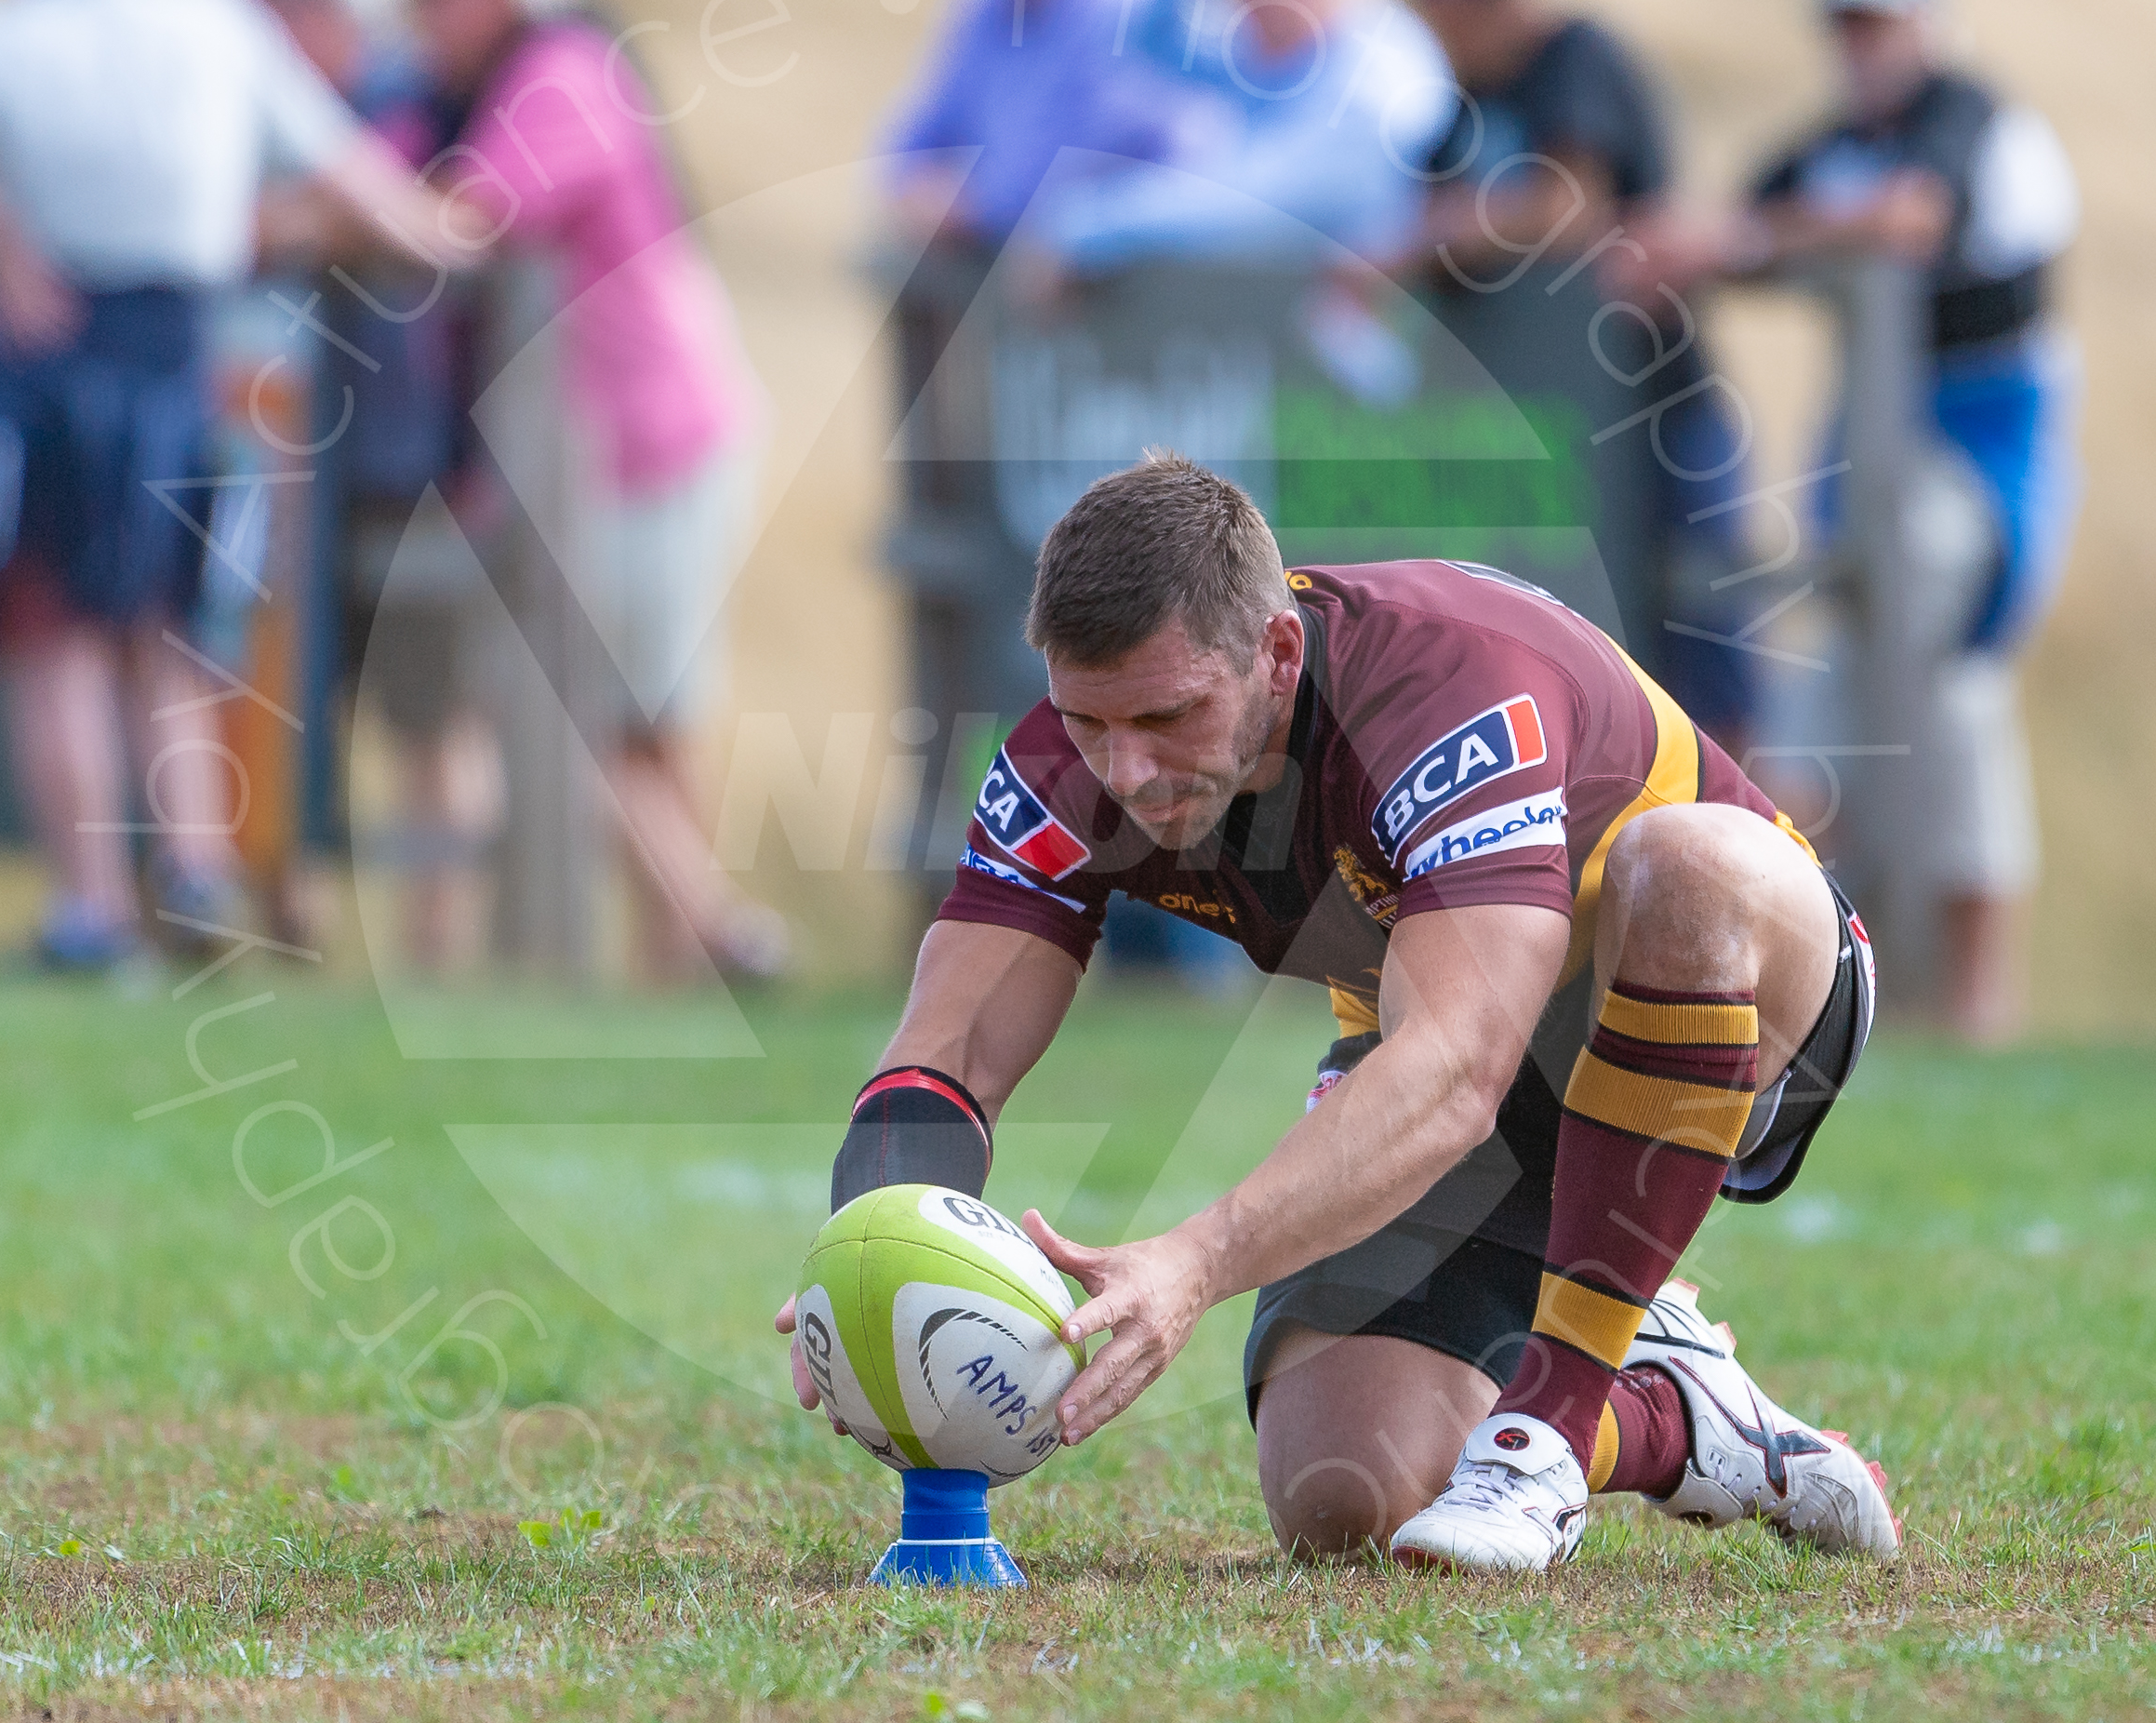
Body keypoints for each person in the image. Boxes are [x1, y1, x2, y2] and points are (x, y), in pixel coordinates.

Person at [778, 453, 1900, 1572]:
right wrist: (868, 1256)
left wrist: (1197, 1259)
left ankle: (1551, 1424)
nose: (1122, 767)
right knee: (1344, 1490)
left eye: (1168, 714)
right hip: (1462, 1043)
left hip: (1743, 991)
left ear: (1273, 653)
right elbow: (948, 1050)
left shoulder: (1437, 687)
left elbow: (1457, 1068)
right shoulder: (1058, 763)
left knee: (1684, 864)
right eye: (1087, 719)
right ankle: (1673, 1410)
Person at [0, 0, 466, 972]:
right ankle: (196, 872)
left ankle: (90, 912)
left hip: (48, 356)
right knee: (172, 632)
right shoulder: (214, 23)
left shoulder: (9, 27)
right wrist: (448, 232)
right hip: (179, 355)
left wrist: (0, 238)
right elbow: (349, 169)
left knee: (54, 640)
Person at [1664, 0, 2078, 1044]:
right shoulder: (1835, 144)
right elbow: (1732, 229)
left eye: (1880, 19)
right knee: (1828, 680)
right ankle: (1836, 971)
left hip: (1979, 440)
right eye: (1847, 22)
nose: (1864, 44)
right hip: (1870, 439)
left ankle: (1975, 997)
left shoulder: (1967, 117)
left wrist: (1776, 234)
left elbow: (1905, 217)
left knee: (1945, 684)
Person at [402, 0, 789, 984]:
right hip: (623, 443)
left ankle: (706, 931)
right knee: (635, 705)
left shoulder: (560, 71)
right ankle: (692, 942)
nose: (423, 12)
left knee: (596, 702)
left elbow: (479, 210)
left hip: (639, 441)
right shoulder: (529, 74)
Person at [199, 0, 488, 971]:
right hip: (291, 462)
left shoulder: (397, 93)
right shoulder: (283, 109)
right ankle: (289, 931)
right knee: (275, 691)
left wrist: (288, 222)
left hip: (403, 459)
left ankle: (437, 954)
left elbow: (418, 213)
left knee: (428, 708)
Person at [1401, 0, 1760, 755]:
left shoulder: (1574, 57)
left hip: (1660, 406)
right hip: (1544, 439)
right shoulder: (1458, 100)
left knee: (1709, 664)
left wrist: (1440, 234)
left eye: (1429, 5)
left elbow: (1568, 205)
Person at [1036, 0, 1454, 273]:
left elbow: (1253, 199)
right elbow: (1145, 38)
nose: (1240, 8)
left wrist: (1087, 227)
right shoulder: (1282, 62)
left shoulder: (1379, 72)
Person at [880, 0, 1211, 252]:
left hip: (1123, 277)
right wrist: (917, 187)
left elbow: (1086, 163)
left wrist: (975, 207)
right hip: (1009, 273)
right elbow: (914, 140)